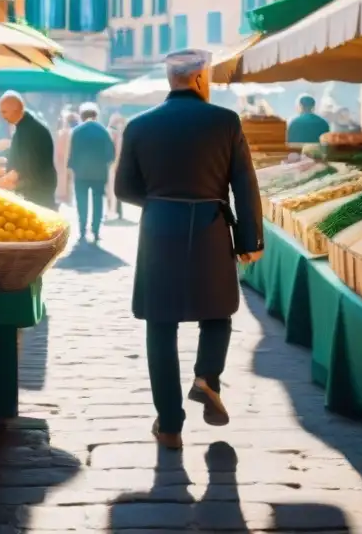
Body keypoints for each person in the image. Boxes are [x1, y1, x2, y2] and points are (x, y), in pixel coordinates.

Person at [115, 49, 263, 450]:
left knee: (159, 326)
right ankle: (207, 377)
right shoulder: (225, 122)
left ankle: (169, 426)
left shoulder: (138, 125)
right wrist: (250, 240)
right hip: (211, 230)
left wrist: (162, 203)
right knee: (218, 311)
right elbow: (244, 185)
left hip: (159, 229)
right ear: (199, 79)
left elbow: (124, 189)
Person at [0, 91, 57, 209]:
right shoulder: (25, 127)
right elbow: (18, 151)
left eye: (4, 112)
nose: (3, 117)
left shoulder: (30, 130)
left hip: (36, 191)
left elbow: (27, 163)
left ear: (15, 109)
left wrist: (3, 183)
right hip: (35, 188)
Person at [68, 103, 116, 243]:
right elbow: (111, 154)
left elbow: (72, 153)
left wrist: (73, 168)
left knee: (81, 202)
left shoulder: (77, 131)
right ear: (96, 116)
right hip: (99, 173)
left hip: (81, 173)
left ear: (82, 116)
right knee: (98, 202)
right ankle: (95, 230)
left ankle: (82, 230)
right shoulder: (103, 131)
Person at [54, 111, 78, 206]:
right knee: (70, 181)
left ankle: (63, 198)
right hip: (72, 160)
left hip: (62, 161)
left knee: (63, 180)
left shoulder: (61, 133)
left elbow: (58, 150)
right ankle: (69, 199)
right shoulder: (75, 133)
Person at [107, 113, 127, 220]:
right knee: (114, 189)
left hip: (113, 165)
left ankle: (114, 211)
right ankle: (117, 211)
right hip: (116, 164)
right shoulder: (119, 134)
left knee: (111, 189)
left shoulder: (113, 133)